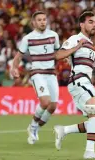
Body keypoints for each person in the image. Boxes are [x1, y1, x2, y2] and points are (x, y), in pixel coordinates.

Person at [53, 11, 95, 159]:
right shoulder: (76, 39)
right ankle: (89, 152)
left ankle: (64, 130)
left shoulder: (91, 44)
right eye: (91, 22)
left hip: (85, 80)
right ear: (82, 24)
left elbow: (81, 65)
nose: (94, 24)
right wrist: (76, 47)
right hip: (78, 81)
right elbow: (58, 55)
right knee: (94, 111)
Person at [10, 11, 60, 145]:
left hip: (51, 73)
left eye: (44, 19)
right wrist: (14, 68)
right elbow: (18, 57)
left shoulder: (54, 35)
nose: (43, 22)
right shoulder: (28, 38)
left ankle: (36, 128)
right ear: (34, 23)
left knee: (53, 106)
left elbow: (58, 53)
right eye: (39, 20)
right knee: (45, 102)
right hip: (37, 73)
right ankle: (32, 126)